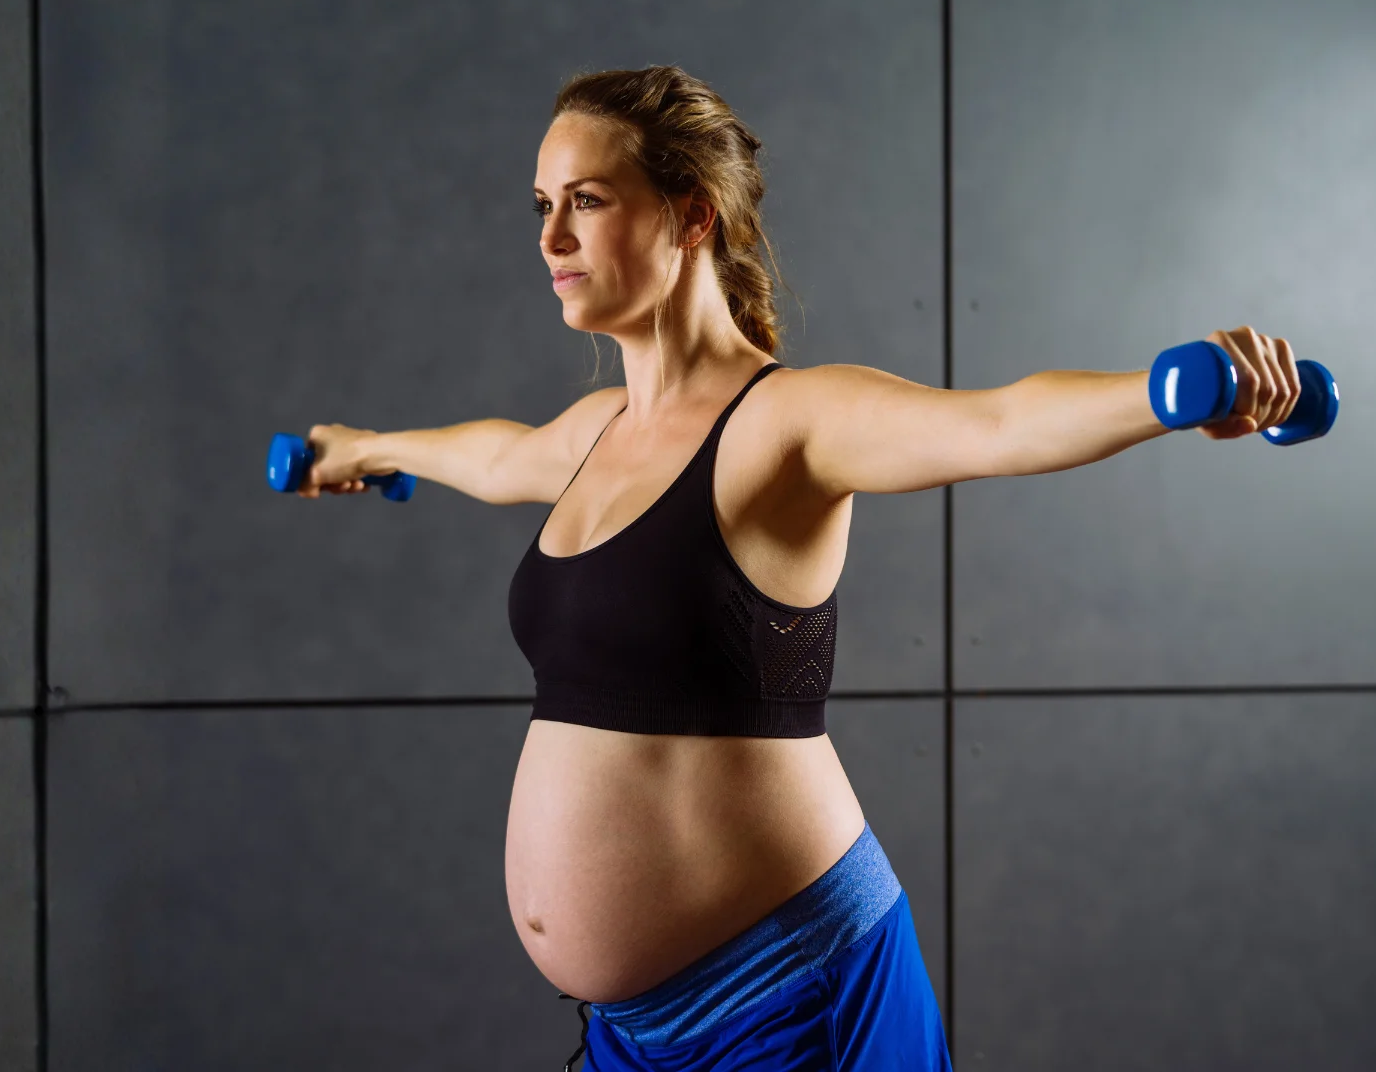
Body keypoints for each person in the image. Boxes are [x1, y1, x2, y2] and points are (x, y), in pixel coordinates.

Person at [295, 65, 1300, 1072]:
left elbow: (997, 421)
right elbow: (495, 456)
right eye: (542, 206)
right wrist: (369, 449)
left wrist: (1173, 394)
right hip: (631, 1037)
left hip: (787, 1008)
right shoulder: (596, 430)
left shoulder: (784, 423)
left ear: (692, 217)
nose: (550, 238)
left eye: (587, 202)